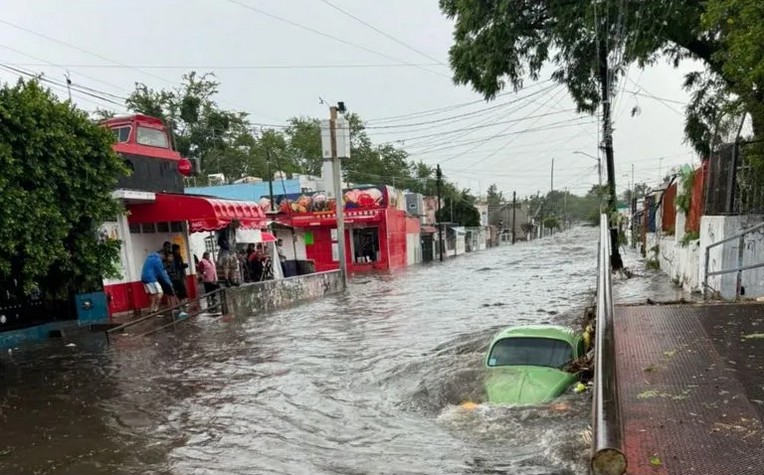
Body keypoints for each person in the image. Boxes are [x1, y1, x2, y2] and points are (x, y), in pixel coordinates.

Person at [141, 250, 174, 314]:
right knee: (160, 292)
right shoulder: (157, 260)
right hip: (151, 278)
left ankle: (151, 310)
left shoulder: (149, 258)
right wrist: (169, 282)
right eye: (165, 256)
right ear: (162, 255)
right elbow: (162, 273)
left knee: (153, 294)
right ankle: (156, 309)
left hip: (144, 278)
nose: (164, 258)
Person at [216, 221, 239, 286]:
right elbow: (219, 241)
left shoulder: (234, 231)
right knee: (226, 265)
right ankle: (226, 279)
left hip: (232, 250)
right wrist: (226, 247)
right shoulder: (225, 230)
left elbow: (234, 241)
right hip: (226, 250)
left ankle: (232, 279)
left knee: (233, 266)